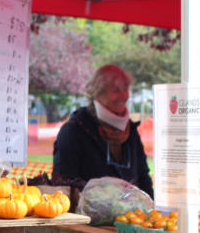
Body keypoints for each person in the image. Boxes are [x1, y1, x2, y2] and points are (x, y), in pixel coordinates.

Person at [52, 64, 153, 197]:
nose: (124, 95)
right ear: (98, 93)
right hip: (88, 215)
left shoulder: (131, 131)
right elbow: (62, 183)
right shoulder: (74, 131)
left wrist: (151, 210)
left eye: (125, 89)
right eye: (116, 90)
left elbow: (143, 177)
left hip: (132, 215)